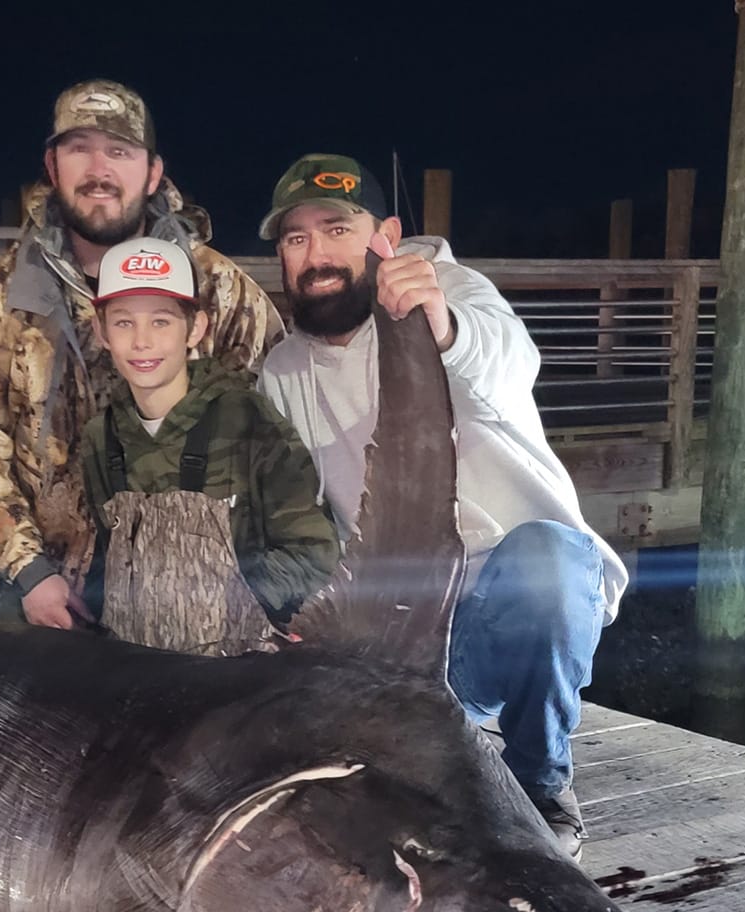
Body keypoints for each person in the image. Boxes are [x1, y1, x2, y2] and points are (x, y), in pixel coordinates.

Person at [255, 155, 630, 859]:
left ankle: (541, 780)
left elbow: (512, 359)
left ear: (386, 235)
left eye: (337, 229)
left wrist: (444, 323)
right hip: (401, 633)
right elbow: (298, 518)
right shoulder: (283, 372)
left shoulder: (451, 289)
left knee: (549, 559)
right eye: (296, 239)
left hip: (513, 609)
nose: (316, 254)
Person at [0, 81, 283, 629]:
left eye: (119, 151)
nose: (99, 169)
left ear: (153, 172)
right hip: (50, 602)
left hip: (196, 604)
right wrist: (29, 571)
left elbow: (278, 438)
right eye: (79, 149)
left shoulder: (221, 292)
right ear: (53, 167)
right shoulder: (0, 305)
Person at [77, 237, 338, 654]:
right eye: (123, 322)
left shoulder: (248, 422)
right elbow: (106, 562)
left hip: (237, 669)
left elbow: (315, 554)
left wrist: (231, 600)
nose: (142, 342)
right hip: (136, 667)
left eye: (161, 321)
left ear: (195, 328)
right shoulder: (100, 438)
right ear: (101, 331)